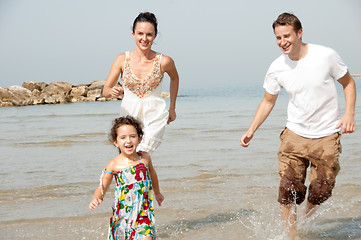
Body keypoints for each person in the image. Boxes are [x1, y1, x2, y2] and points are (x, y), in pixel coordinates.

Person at [240, 12, 356, 239]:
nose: (282, 42)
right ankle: (292, 234)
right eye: (277, 37)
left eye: (286, 36)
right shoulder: (276, 67)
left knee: (322, 189)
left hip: (326, 135)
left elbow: (349, 83)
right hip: (295, 134)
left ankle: (305, 218)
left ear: (299, 33)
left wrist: (349, 113)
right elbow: (268, 101)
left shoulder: (326, 55)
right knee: (288, 188)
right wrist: (251, 129)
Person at [102, 12, 180, 154]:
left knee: (142, 155)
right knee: (129, 159)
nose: (144, 39)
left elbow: (175, 78)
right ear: (133, 34)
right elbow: (105, 91)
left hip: (155, 115)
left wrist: (172, 108)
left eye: (149, 35)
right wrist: (111, 91)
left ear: (155, 36)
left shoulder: (165, 61)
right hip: (128, 115)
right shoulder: (122, 59)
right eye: (140, 34)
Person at [89, 115, 164, 240]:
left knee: (147, 237)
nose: (128, 141)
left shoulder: (145, 158)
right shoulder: (113, 165)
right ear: (116, 142)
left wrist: (157, 193)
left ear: (139, 139)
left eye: (132, 136)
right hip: (122, 214)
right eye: (123, 137)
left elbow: (153, 174)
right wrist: (96, 198)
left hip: (143, 212)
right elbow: (101, 187)